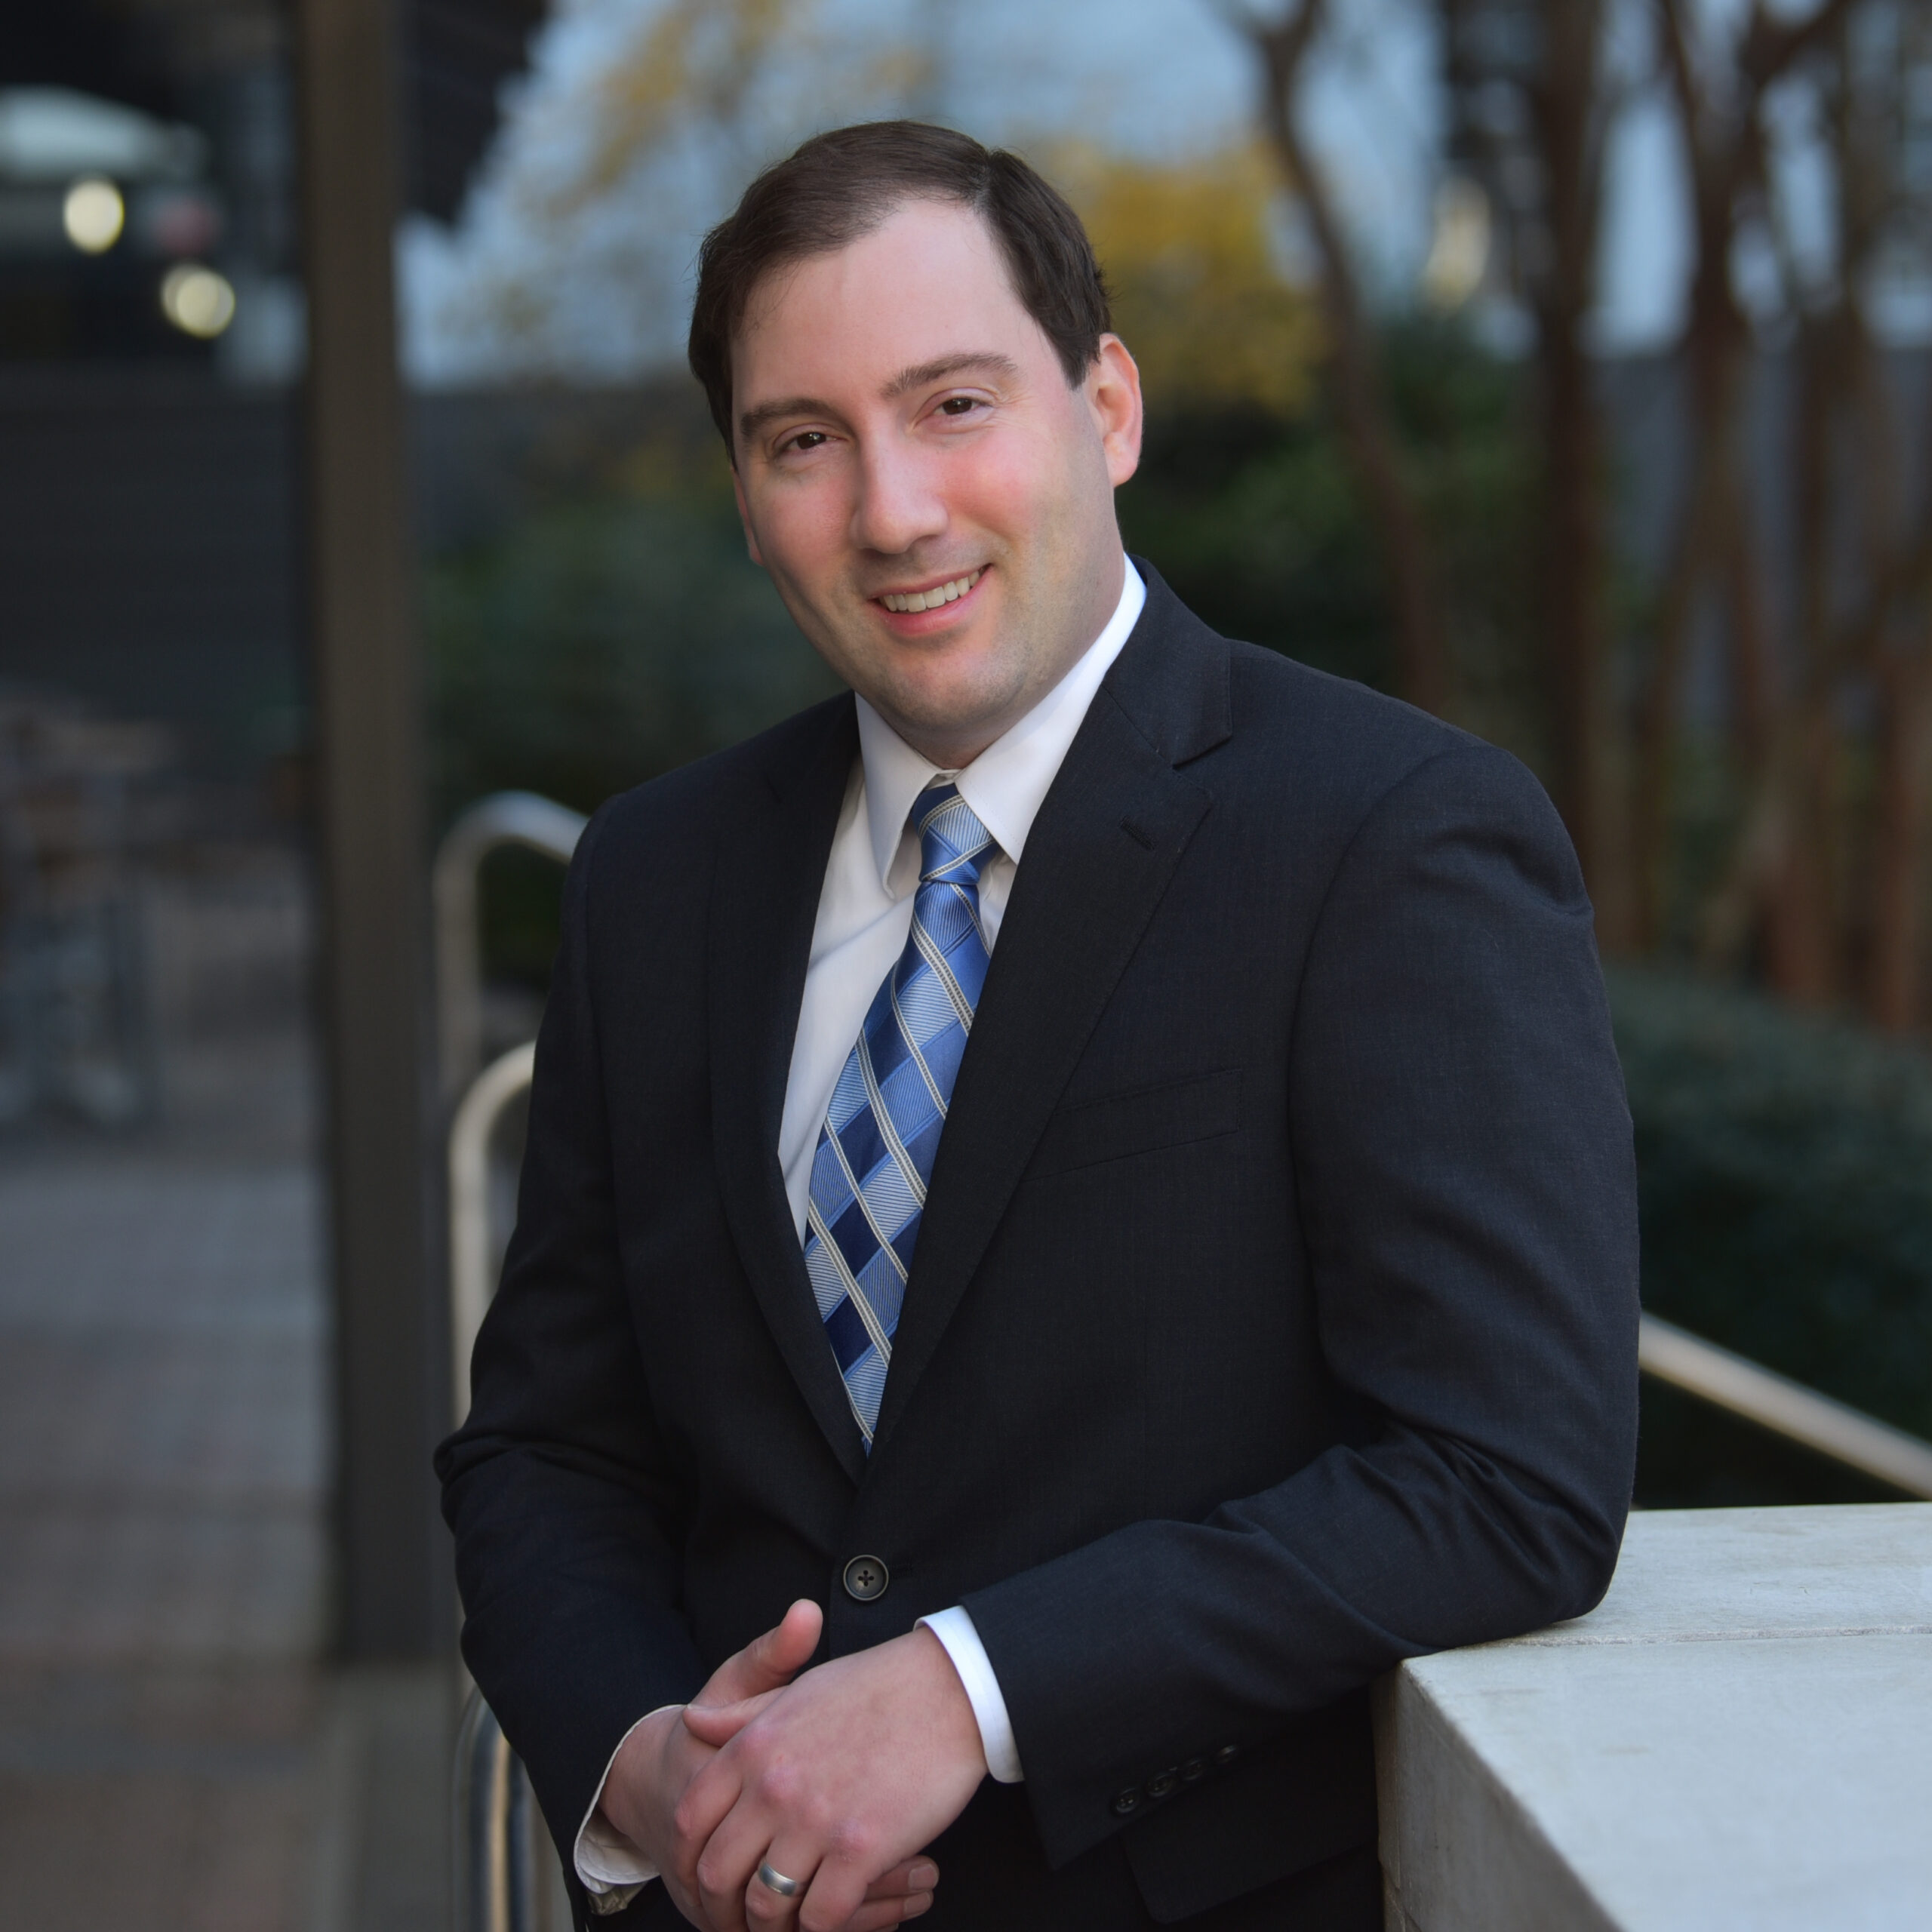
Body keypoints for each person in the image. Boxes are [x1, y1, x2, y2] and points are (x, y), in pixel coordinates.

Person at [436, 122, 1639, 1932]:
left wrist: (965, 1684)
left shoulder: (1387, 837)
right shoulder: (654, 875)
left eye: (952, 405)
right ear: (746, 497)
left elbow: (1506, 1470)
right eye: (803, 440)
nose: (893, 511)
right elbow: (546, 1444)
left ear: (1108, 408)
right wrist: (645, 1761)